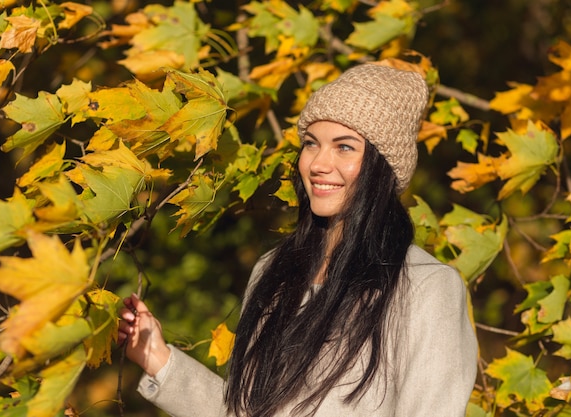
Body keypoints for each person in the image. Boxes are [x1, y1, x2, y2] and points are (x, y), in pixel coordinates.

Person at [118, 62, 479, 417]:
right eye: (311, 143)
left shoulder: (427, 288)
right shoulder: (273, 271)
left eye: (344, 147)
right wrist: (158, 359)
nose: (319, 163)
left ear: (383, 166)